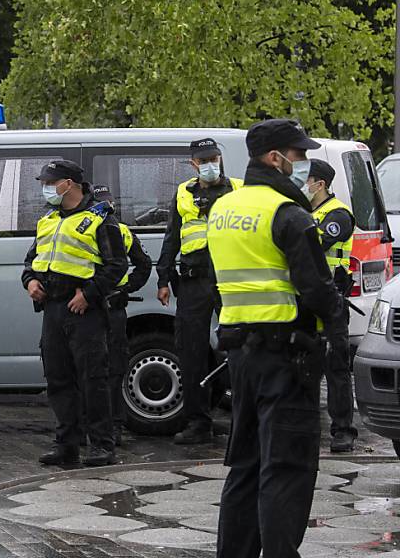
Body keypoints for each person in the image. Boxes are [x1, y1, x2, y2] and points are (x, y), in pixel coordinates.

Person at [209, 119, 345, 557]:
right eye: (299, 154)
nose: (303, 163)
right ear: (275, 158)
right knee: (286, 467)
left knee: (246, 465)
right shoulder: (288, 213)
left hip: (241, 357)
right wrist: (337, 326)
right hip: (287, 359)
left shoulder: (223, 209)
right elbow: (318, 290)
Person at [22, 160, 127, 467]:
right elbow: (32, 260)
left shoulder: (101, 219)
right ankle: (67, 443)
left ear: (69, 184)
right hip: (53, 308)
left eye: (50, 182)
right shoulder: (48, 219)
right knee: (58, 378)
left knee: (93, 379)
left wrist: (89, 293)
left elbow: (116, 265)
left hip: (84, 310)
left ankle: (101, 445)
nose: (46, 188)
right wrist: (30, 281)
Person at [156, 138, 242, 445]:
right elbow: (172, 237)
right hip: (193, 280)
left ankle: (245, 422)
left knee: (239, 347)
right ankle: (198, 422)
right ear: (194, 164)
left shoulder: (238, 189)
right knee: (190, 351)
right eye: (203, 161)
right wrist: (163, 278)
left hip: (229, 277)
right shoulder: (183, 193)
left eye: (214, 158)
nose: (210, 165)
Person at [305, 158, 357, 453]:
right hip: (306, 299)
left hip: (333, 300)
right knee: (305, 367)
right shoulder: (303, 211)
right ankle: (308, 427)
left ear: (319, 183)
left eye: (306, 178)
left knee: (336, 368)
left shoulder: (338, 214)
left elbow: (315, 244)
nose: (303, 184)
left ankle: (343, 431)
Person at [93, 185, 151, 446]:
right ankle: (91, 426)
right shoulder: (81, 230)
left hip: (112, 309)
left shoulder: (122, 231)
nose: (107, 206)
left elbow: (143, 265)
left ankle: (114, 426)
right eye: (101, 202)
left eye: (109, 201)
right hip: (86, 308)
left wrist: (125, 289)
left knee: (114, 369)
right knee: (87, 370)